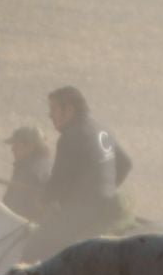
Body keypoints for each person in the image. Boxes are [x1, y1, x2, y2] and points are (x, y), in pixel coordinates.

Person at [27, 86, 132, 259]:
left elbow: (58, 180)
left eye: (53, 109)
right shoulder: (103, 130)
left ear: (68, 109)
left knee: (35, 247)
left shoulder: (70, 136)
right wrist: (105, 188)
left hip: (80, 212)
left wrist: (43, 200)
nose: (50, 115)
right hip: (108, 207)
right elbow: (125, 163)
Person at [1, 124, 52, 222]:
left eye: (16, 144)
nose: (12, 149)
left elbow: (13, 208)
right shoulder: (50, 164)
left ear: (30, 147)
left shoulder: (28, 172)